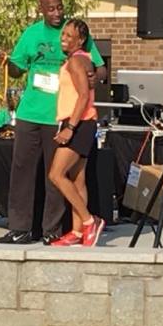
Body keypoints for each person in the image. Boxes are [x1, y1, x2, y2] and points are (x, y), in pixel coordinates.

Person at [0, 0, 106, 245]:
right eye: (51, 9)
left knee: (55, 175)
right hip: (30, 111)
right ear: (41, 10)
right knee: (22, 170)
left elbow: (100, 68)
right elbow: (17, 69)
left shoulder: (75, 33)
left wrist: (94, 77)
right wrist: (8, 63)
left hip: (59, 116)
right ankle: (20, 228)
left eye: (60, 7)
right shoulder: (32, 33)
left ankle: (52, 229)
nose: (57, 13)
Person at [48, 19, 104, 247]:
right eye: (63, 34)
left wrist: (70, 128)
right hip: (79, 121)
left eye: (69, 36)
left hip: (79, 123)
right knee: (77, 179)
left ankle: (90, 221)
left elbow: (83, 96)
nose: (64, 39)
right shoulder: (80, 59)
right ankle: (77, 232)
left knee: (56, 174)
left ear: (80, 40)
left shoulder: (76, 61)